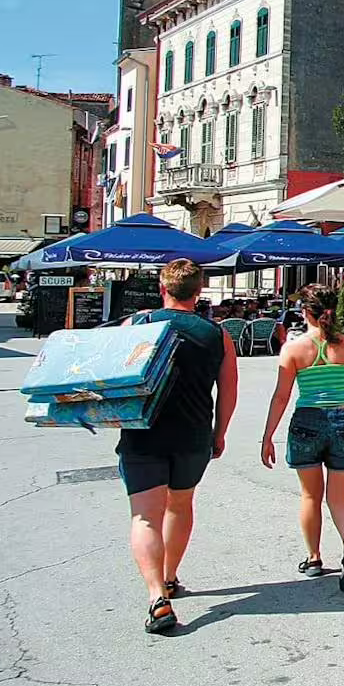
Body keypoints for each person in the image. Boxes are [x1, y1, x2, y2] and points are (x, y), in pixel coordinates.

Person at [118, 259, 239, 634]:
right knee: (180, 504)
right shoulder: (217, 334)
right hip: (193, 434)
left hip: (142, 432)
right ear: (198, 291)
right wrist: (220, 432)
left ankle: (157, 596)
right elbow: (229, 390)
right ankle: (170, 576)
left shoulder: (136, 325)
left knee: (145, 516)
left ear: (162, 287)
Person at [261, 283, 344, 592]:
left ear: (305, 313)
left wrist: (268, 435)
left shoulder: (293, 348)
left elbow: (281, 396)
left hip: (307, 423)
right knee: (339, 496)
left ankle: (314, 558)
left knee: (310, 496)